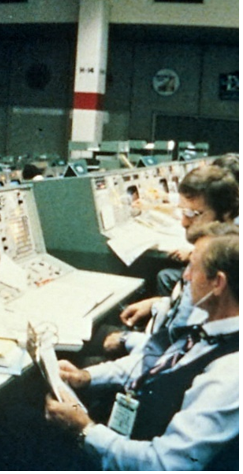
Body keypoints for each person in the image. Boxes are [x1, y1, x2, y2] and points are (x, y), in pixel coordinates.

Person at [45, 226, 239, 470]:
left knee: (23, 423)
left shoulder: (230, 373)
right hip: (130, 429)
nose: (186, 276)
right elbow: (152, 360)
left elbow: (165, 464)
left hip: (135, 453)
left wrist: (85, 429)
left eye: (193, 267)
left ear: (218, 283)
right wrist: (86, 376)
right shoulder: (208, 320)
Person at [105, 165, 238, 356]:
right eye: (183, 212)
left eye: (193, 214)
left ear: (225, 214)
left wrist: (127, 339)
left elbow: (176, 351)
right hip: (159, 334)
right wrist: (158, 303)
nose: (183, 221)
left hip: (156, 351)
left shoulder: (218, 269)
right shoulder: (210, 251)